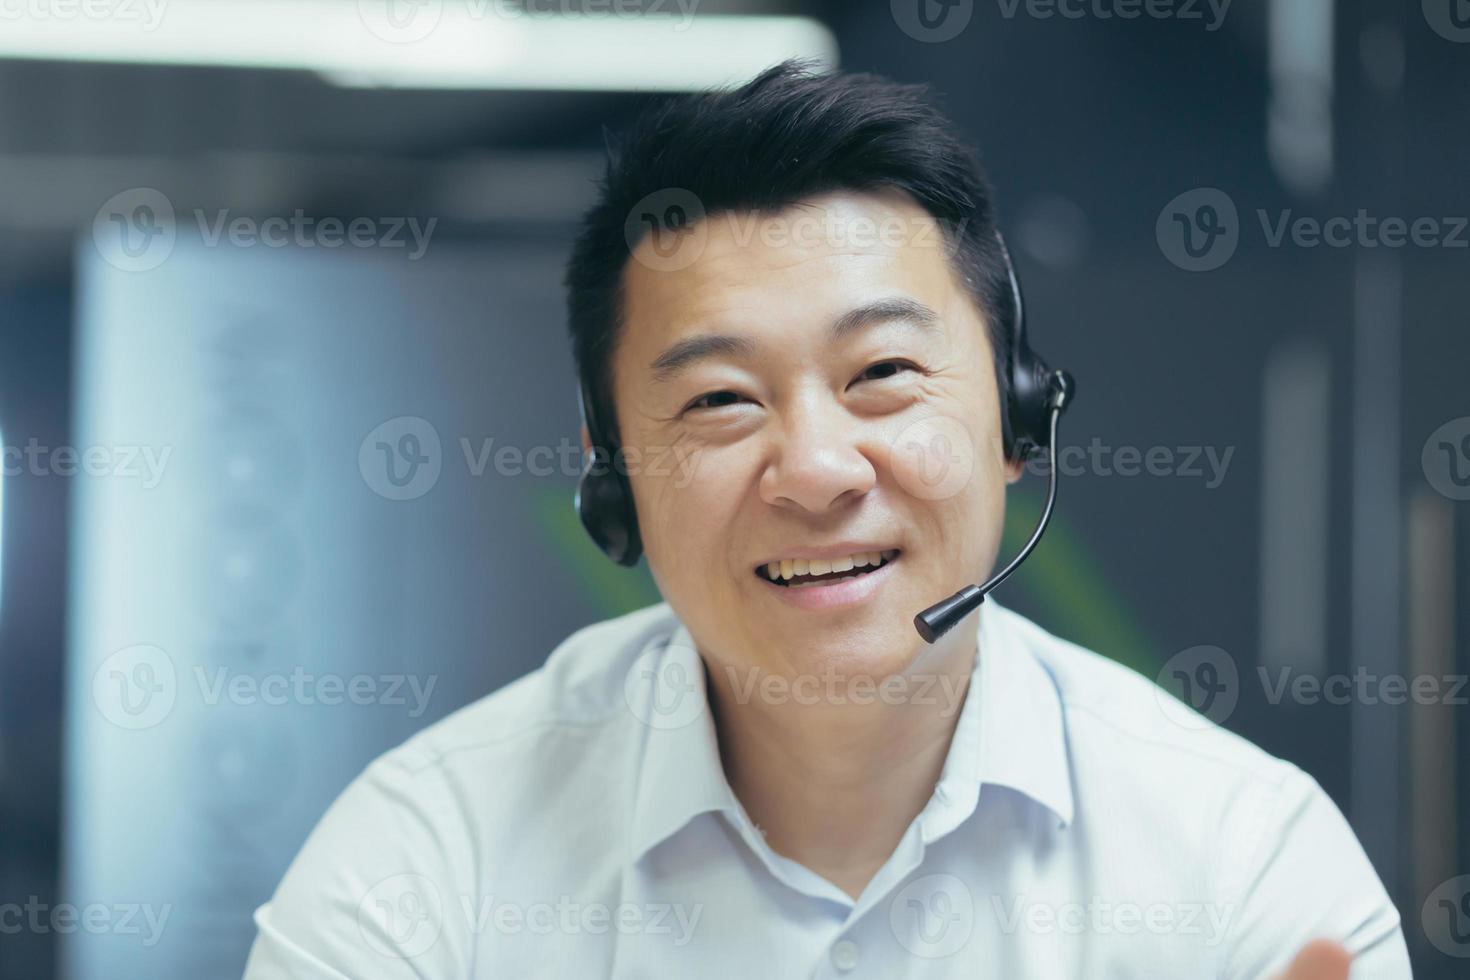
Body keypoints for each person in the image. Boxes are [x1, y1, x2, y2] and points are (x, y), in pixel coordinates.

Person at [242, 60, 1410, 978]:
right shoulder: (423, 866)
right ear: (614, 480)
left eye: (883, 373)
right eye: (719, 399)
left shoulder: (1243, 865)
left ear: (1018, 422)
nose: (813, 468)